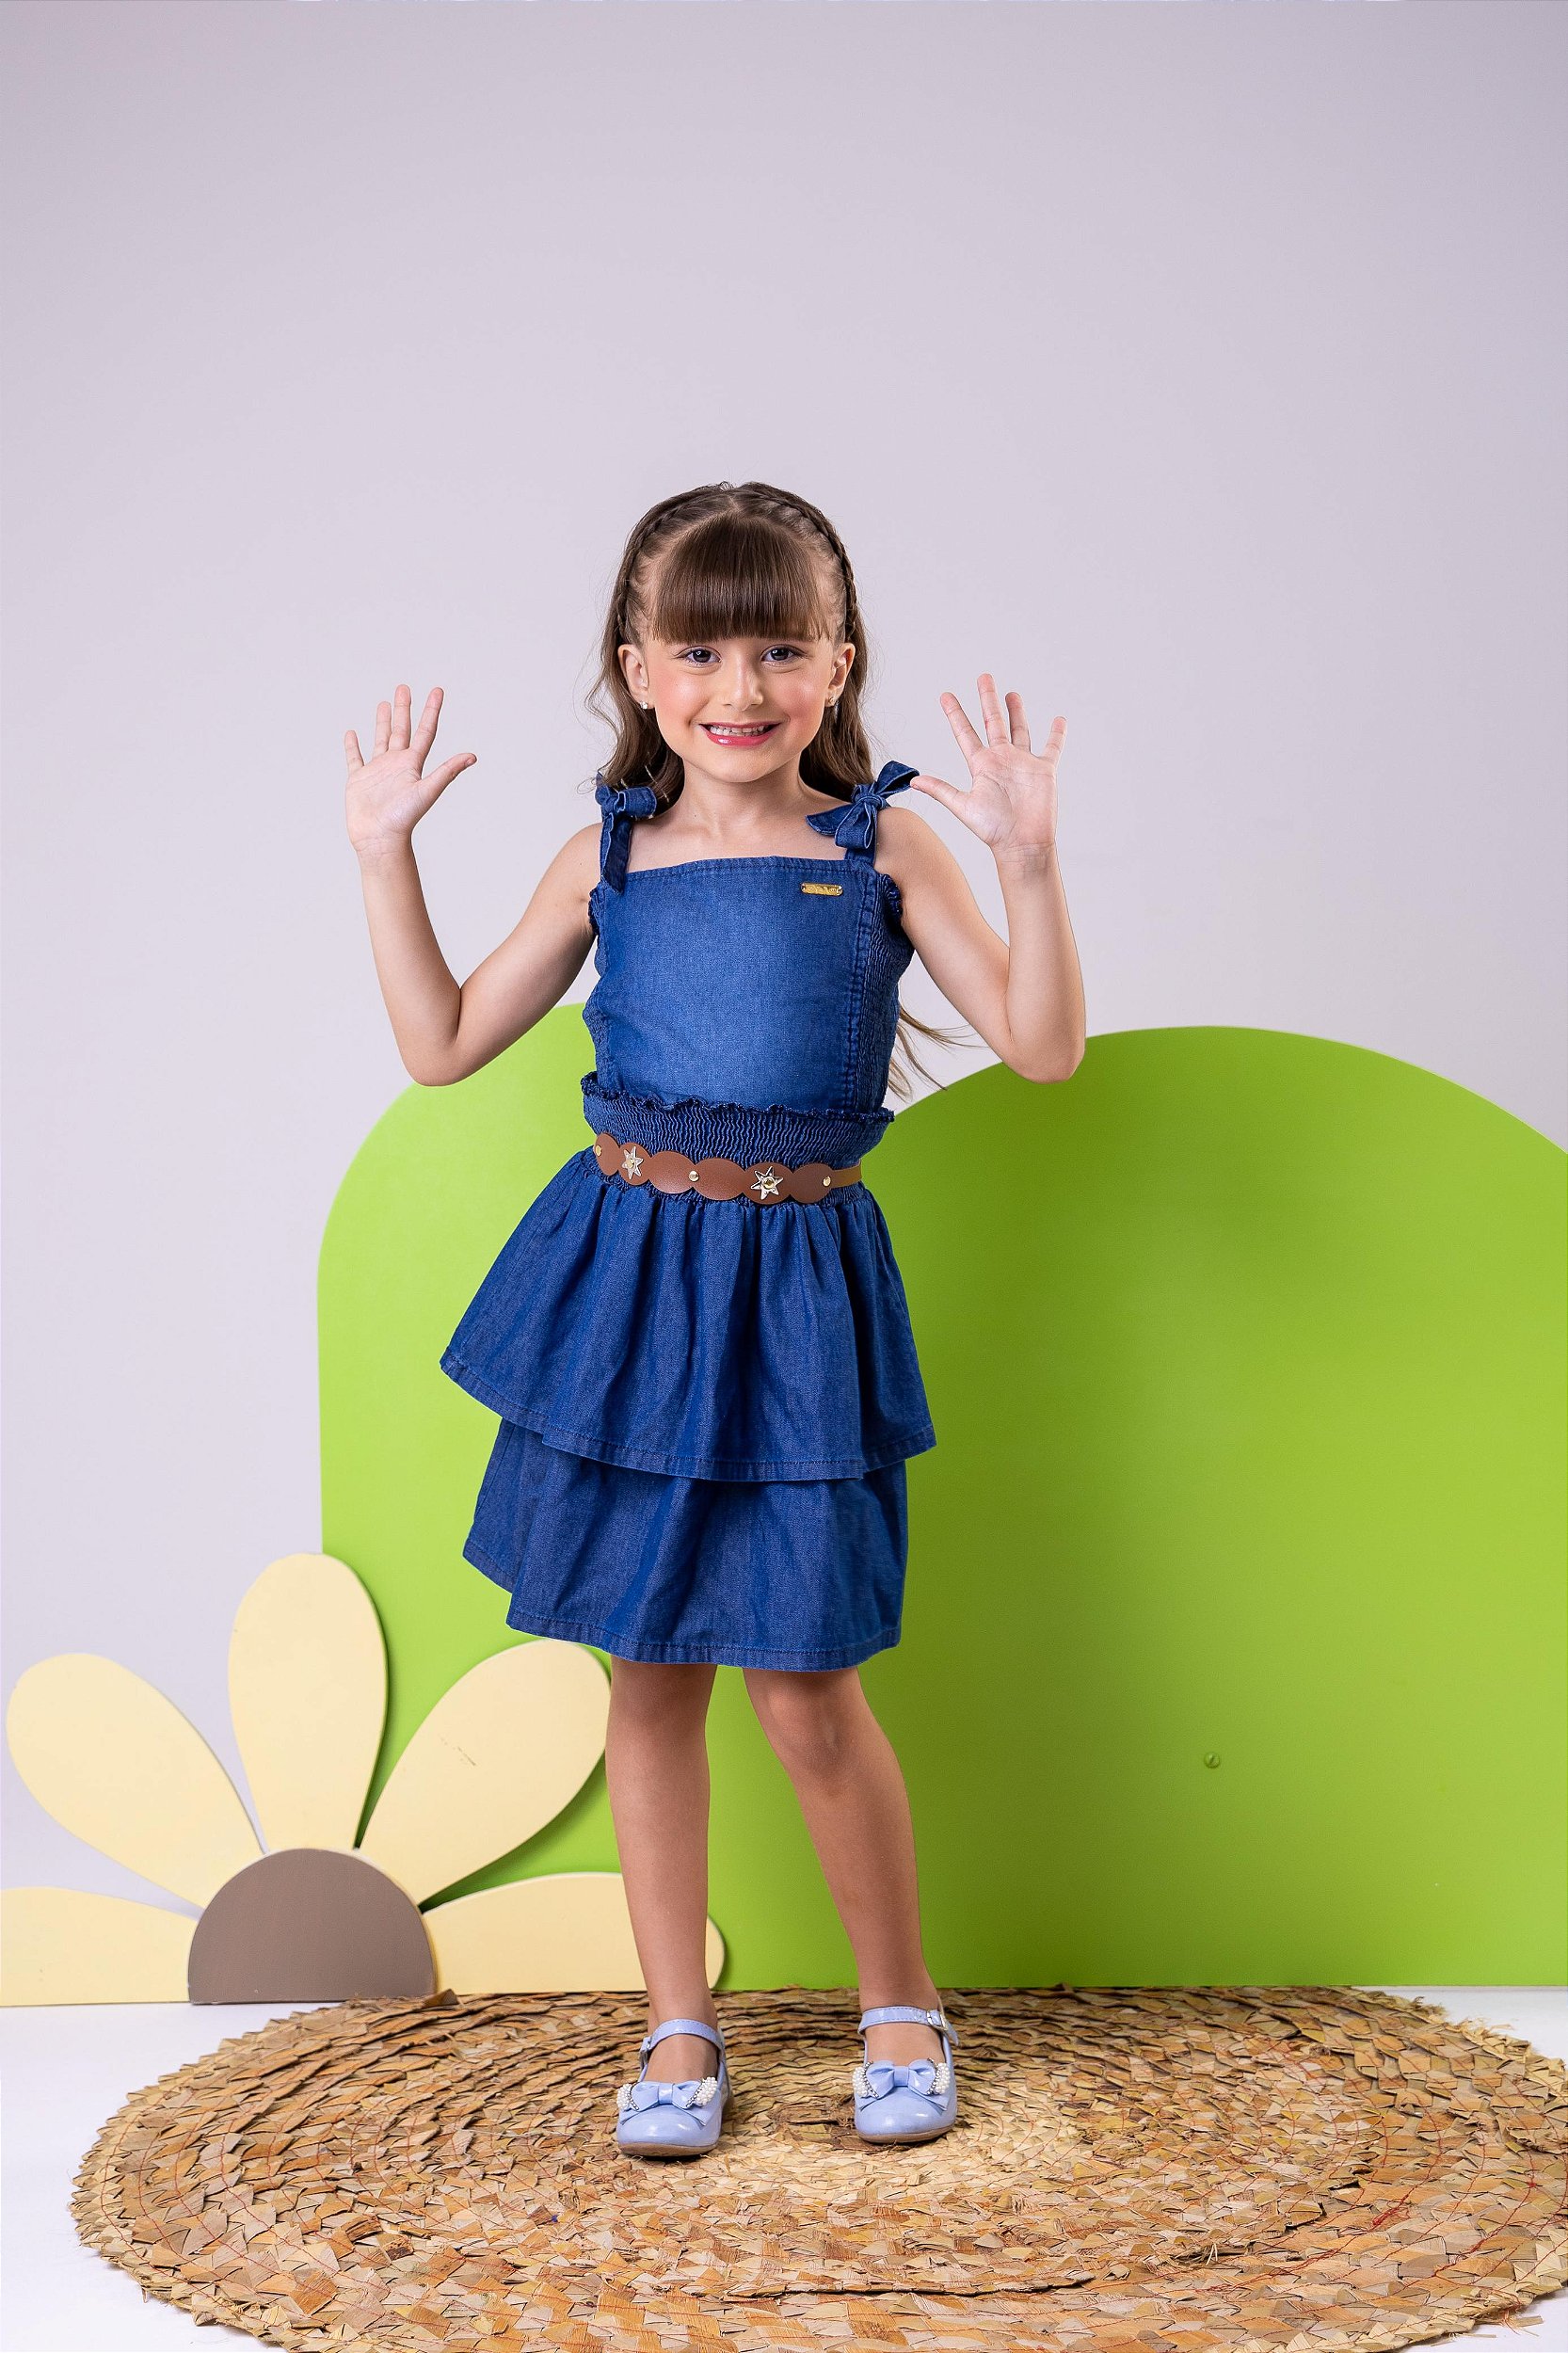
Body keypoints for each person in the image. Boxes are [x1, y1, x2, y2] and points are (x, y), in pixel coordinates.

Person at [344, 480, 1085, 2158]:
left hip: (798, 1294)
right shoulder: (605, 855)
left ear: (838, 663)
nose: (736, 688)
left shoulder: (878, 846)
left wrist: (1029, 866)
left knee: (806, 1692)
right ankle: (677, 2026)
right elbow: (442, 1043)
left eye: (777, 650)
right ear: (636, 668)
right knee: (650, 1678)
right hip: (627, 1289)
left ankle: (900, 2004)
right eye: (697, 651)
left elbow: (1042, 1049)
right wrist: (384, 854)